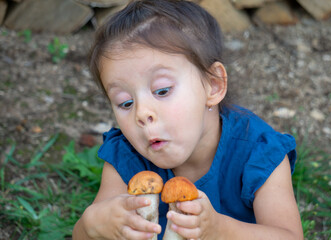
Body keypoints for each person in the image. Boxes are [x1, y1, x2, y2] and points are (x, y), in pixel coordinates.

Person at [72, 0, 303, 239]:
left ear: (213, 85)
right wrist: (92, 223)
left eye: (162, 90)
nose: (141, 113)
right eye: (125, 102)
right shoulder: (127, 157)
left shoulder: (258, 153)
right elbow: (83, 234)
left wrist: (221, 231)